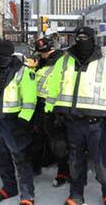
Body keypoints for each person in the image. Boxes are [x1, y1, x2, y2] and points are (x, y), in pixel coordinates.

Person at [45, 26, 106, 205]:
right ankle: (76, 194)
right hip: (72, 121)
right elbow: (53, 88)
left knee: (101, 161)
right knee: (74, 160)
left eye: (85, 37)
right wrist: (50, 111)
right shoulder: (64, 61)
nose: (82, 41)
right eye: (78, 37)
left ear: (92, 39)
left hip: (97, 123)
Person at [0, 40, 37, 205]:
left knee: (21, 158)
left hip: (14, 121)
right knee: (1, 157)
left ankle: (27, 195)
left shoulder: (22, 71)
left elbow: (29, 100)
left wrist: (23, 122)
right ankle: (9, 187)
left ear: (5, 53)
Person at [31, 37, 70, 186]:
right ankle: (36, 166)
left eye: (44, 52)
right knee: (37, 138)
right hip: (40, 106)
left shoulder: (62, 63)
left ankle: (63, 172)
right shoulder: (43, 62)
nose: (42, 55)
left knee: (58, 143)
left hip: (55, 107)